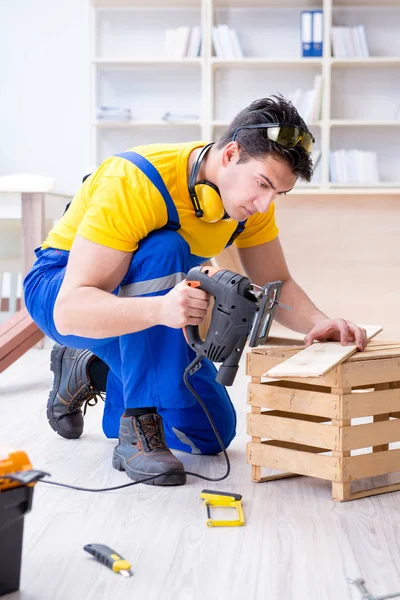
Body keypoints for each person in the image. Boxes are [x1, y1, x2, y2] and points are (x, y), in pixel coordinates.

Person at [23, 95, 367, 487]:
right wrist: (159, 311)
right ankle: (138, 425)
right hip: (60, 288)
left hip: (148, 306)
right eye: (262, 184)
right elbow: (71, 308)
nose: (266, 203)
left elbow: (277, 284)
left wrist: (321, 323)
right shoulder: (135, 181)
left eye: (278, 193)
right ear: (231, 153)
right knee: (164, 249)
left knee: (212, 433)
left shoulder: (251, 204)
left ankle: (91, 368)